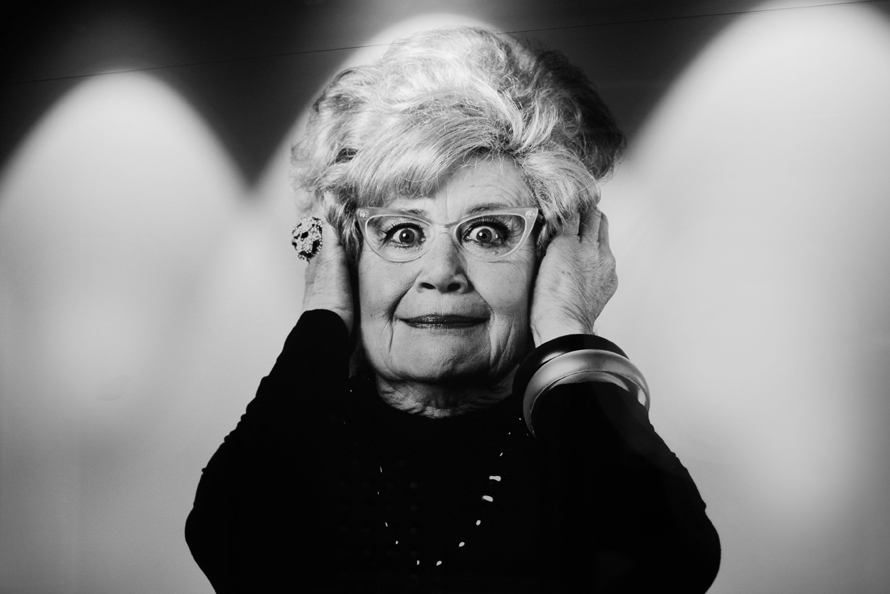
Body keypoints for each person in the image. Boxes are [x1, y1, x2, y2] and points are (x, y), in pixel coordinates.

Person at [185, 27, 720, 593]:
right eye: (402, 232)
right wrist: (322, 317)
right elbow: (227, 543)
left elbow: (672, 565)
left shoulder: (574, 432)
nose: (441, 272)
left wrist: (566, 328)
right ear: (346, 252)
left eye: (488, 232)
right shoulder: (302, 432)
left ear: (551, 256)